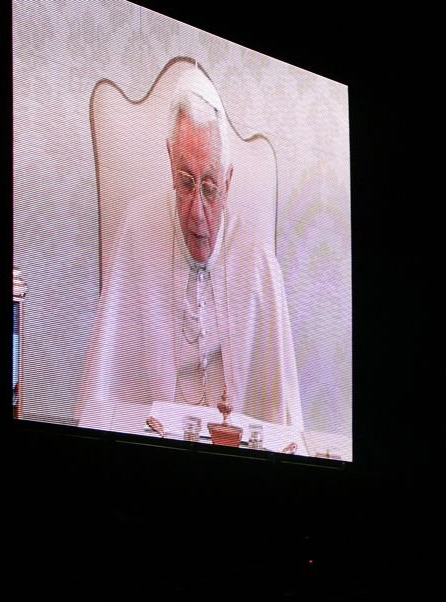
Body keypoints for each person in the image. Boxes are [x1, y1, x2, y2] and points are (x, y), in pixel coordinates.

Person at [75, 64, 304, 430]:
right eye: (185, 183)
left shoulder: (256, 257)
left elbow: (279, 419)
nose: (197, 213)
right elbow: (107, 396)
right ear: (169, 162)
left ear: (228, 182)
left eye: (210, 188)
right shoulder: (138, 226)